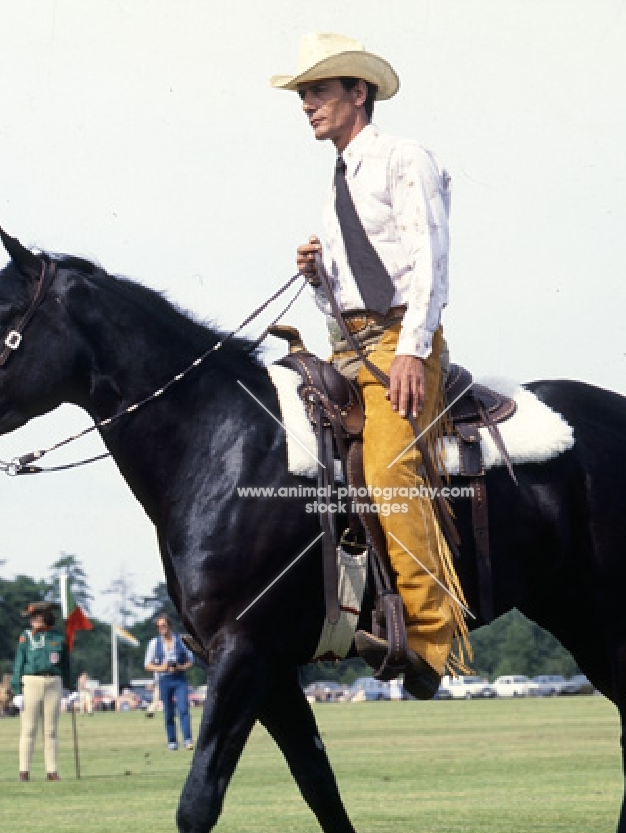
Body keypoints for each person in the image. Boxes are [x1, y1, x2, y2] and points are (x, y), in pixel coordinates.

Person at [273, 32, 464, 698]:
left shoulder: (402, 159)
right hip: (346, 344)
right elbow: (344, 301)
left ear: (359, 93)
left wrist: (413, 346)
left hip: (397, 342)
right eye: (301, 96)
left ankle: (431, 639)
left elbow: (428, 258)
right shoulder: (334, 187)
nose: (306, 106)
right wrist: (317, 277)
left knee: (387, 472)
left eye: (318, 92)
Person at [11, 600, 70, 781]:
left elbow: (65, 664)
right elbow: (19, 664)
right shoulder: (26, 637)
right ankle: (24, 771)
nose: (34, 620)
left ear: (46, 617)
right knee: (28, 729)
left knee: (51, 730)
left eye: (37, 616)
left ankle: (51, 771)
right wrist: (17, 690)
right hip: (31, 682)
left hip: (53, 682)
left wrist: (69, 687)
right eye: (32, 617)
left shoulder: (59, 637)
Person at [144, 614, 197, 750]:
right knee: (168, 712)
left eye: (164, 625)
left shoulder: (180, 640)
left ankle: (187, 740)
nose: (162, 628)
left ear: (169, 625)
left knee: (183, 709)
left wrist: (180, 667)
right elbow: (147, 665)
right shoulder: (154, 643)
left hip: (179, 678)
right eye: (159, 626)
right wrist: (162, 667)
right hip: (164, 679)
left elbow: (191, 661)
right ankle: (172, 741)